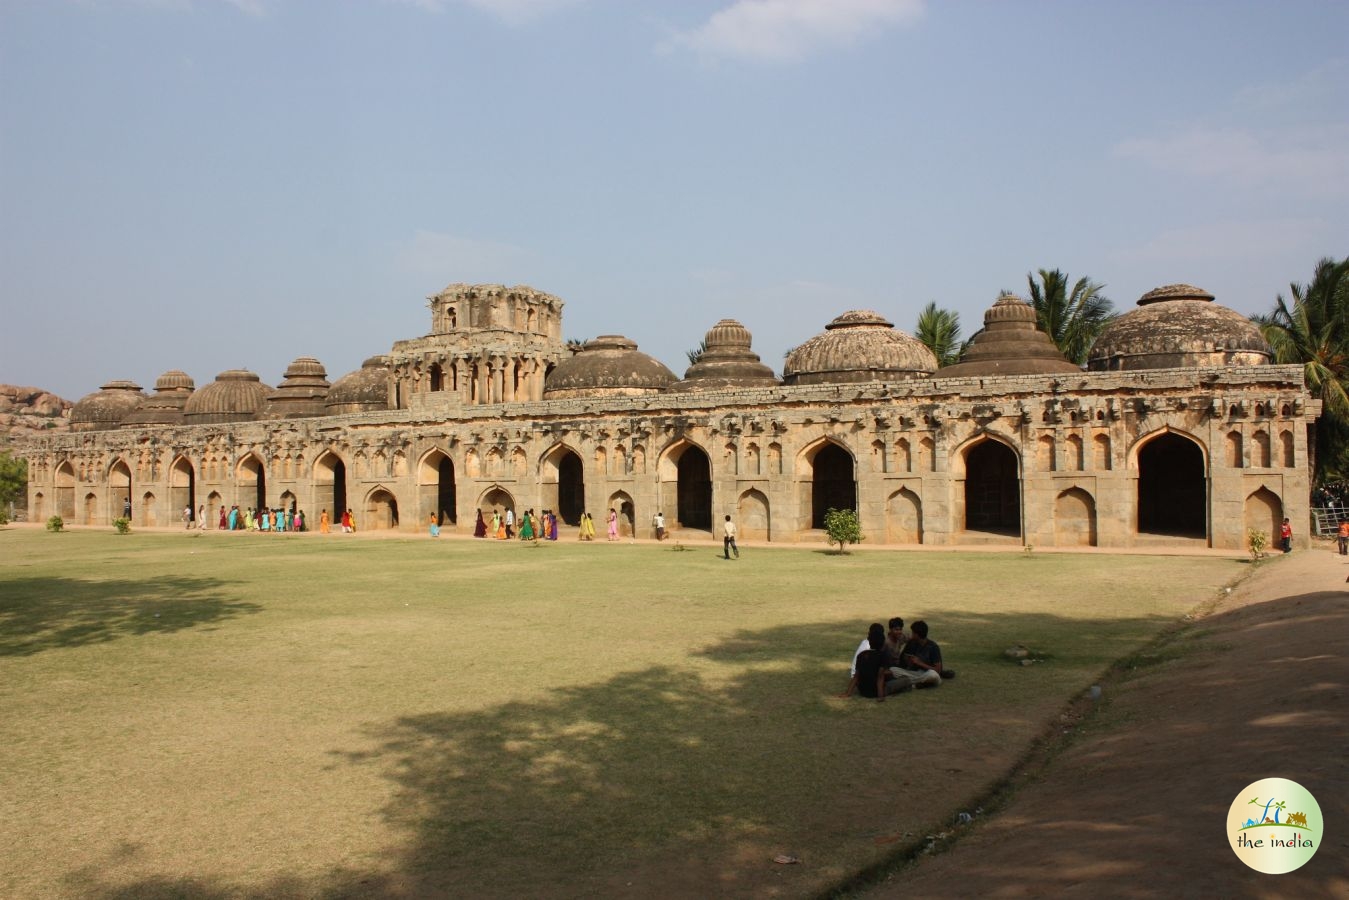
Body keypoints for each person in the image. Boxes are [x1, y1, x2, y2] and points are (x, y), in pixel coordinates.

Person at [839, 624, 909, 701]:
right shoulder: (882, 656)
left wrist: (847, 693)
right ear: (883, 643)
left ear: (870, 642)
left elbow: (856, 676)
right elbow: (880, 677)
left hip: (863, 690)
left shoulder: (862, 655)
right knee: (906, 680)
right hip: (875, 691)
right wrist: (880, 696)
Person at [899, 620, 952, 686]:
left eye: (913, 633)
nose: (911, 635)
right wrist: (907, 660)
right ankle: (921, 683)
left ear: (917, 635)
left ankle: (911, 682)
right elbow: (903, 662)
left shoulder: (933, 647)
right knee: (893, 670)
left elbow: (938, 670)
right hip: (914, 673)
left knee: (933, 675)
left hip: (927, 673)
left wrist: (919, 663)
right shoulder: (911, 643)